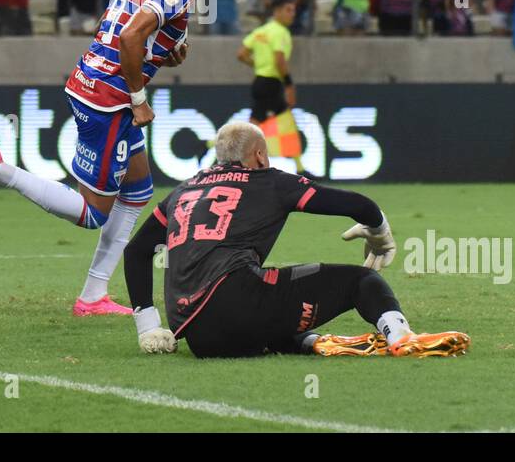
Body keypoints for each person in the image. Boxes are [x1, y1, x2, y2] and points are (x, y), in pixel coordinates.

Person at [0, 0, 237, 317]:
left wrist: (165, 54)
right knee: (95, 213)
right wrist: (138, 99)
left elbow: (120, 27)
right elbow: (130, 38)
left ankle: (93, 296)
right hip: (108, 98)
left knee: (137, 192)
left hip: (92, 81)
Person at [119, 121, 470, 359]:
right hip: (240, 302)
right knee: (362, 280)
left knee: (267, 293)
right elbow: (358, 205)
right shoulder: (270, 181)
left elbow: (136, 251)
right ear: (258, 154)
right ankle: (401, 338)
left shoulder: (182, 190)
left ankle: (312, 343)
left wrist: (149, 327)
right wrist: (379, 234)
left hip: (200, 337)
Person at [237, 0, 303, 173]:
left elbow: (241, 54)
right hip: (271, 83)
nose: (292, 14)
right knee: (254, 128)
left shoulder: (260, 31)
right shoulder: (280, 32)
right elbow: (279, 59)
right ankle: (212, 149)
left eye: (293, 11)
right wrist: (289, 84)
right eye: (289, 10)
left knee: (282, 121)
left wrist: (258, 66)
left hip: (260, 81)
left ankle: (300, 168)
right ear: (277, 12)